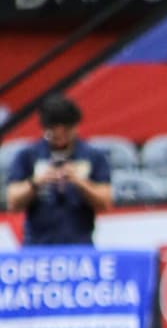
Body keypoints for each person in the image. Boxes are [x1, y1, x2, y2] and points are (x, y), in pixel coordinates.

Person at [5, 94, 111, 245]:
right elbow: (12, 202)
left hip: (79, 243)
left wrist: (78, 181)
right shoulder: (28, 155)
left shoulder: (92, 156)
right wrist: (38, 181)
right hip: (37, 245)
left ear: (75, 127)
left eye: (66, 132)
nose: (60, 138)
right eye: (54, 134)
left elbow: (105, 201)